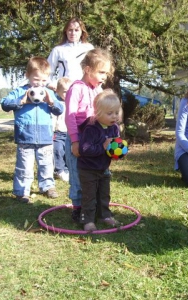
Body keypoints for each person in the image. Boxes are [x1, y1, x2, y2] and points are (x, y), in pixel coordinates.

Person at [1, 57, 64, 203]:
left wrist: (51, 102)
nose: (40, 84)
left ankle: (48, 186)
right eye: (36, 79)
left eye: (44, 80)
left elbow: (59, 109)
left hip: (45, 136)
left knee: (46, 163)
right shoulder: (20, 91)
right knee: (24, 165)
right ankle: (22, 191)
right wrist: (21, 101)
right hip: (25, 136)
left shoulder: (48, 93)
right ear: (27, 75)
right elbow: (5, 104)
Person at [65, 48, 114, 222]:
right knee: (79, 175)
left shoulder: (98, 90)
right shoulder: (76, 89)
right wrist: (75, 140)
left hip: (95, 140)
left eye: (106, 73)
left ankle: (98, 208)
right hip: (77, 139)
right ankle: (79, 208)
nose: (104, 76)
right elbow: (70, 117)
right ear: (88, 69)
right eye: (101, 72)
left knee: (98, 173)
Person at [78, 90, 121, 232]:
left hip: (103, 168)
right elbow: (84, 149)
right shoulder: (91, 128)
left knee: (104, 194)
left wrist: (118, 153)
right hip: (88, 169)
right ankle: (88, 220)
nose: (114, 116)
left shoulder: (114, 128)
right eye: (110, 113)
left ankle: (104, 215)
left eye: (116, 112)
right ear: (98, 112)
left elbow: (114, 147)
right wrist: (102, 147)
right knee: (89, 196)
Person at [47, 17, 94, 91]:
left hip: (84, 89)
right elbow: (48, 71)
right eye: (70, 30)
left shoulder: (88, 48)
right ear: (66, 31)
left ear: (82, 31)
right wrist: (50, 84)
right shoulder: (58, 50)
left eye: (76, 30)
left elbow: (94, 70)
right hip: (65, 91)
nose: (73, 33)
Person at [52, 77, 72, 182]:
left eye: (69, 92)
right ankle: (59, 170)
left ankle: (67, 169)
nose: (67, 94)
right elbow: (53, 118)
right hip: (58, 133)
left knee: (68, 152)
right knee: (58, 151)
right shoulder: (56, 103)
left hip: (69, 133)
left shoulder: (72, 103)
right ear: (57, 91)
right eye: (64, 92)